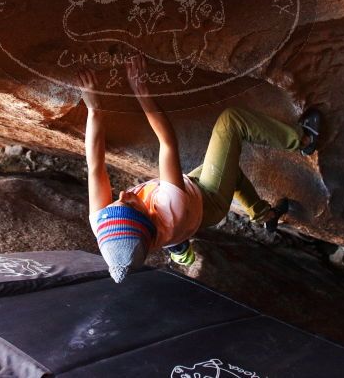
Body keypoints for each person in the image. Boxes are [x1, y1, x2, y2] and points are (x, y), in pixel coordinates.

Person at [76, 55, 320, 283]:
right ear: (149, 219)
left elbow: (95, 164)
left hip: (186, 199)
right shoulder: (169, 210)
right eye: (130, 203)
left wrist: (94, 108)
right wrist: (141, 90)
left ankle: (259, 217)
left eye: (115, 203)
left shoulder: (104, 222)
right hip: (207, 203)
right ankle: (305, 140)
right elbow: (167, 142)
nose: (123, 194)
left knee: (228, 170)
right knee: (231, 122)